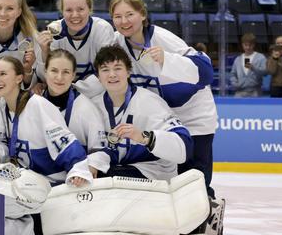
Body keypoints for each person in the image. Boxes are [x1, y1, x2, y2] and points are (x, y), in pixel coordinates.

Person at [109, 0, 218, 196]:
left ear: (142, 14)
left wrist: (167, 59)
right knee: (170, 183)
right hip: (161, 123)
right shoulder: (115, 43)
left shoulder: (162, 38)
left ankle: (208, 219)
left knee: (195, 182)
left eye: (130, 14)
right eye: (117, 16)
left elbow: (205, 73)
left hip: (194, 120)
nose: (124, 21)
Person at [67, 45, 193, 186]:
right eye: (105, 70)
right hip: (115, 170)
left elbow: (185, 147)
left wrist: (144, 137)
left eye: (118, 68)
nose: (112, 74)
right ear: (98, 77)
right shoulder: (92, 106)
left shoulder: (150, 102)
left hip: (153, 172)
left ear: (128, 72)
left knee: (107, 179)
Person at [0, 56, 88, 184]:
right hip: (23, 181)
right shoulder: (1, 105)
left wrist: (78, 171)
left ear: (19, 78)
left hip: (53, 184)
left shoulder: (38, 105)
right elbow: (5, 146)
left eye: (3, 74)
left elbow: (64, 142)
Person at [33, 0, 114, 95]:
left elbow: (107, 73)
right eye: (69, 10)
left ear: (89, 10)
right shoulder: (54, 32)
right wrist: (44, 51)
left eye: (80, 9)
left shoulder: (102, 29)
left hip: (94, 94)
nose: (75, 15)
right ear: (62, 12)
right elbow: (44, 78)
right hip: (62, 92)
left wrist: (68, 88)